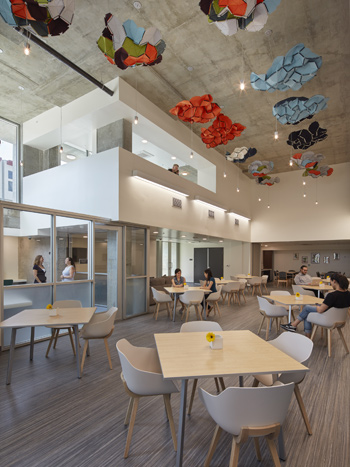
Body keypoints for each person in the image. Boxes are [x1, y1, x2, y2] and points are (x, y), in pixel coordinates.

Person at [281, 274, 350, 337]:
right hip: (340, 319)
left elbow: (320, 310)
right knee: (308, 311)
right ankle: (296, 327)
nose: (331, 284)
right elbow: (337, 305)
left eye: (331, 282)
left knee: (307, 308)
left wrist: (319, 306)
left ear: (334, 281)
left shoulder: (332, 295)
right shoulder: (348, 294)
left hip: (327, 319)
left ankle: (294, 326)